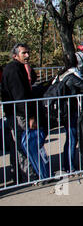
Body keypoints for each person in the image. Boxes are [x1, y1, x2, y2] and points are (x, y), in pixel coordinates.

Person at [1, 43, 39, 183]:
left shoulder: (19, 68)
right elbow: (20, 96)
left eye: (28, 52)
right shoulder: (14, 70)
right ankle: (29, 176)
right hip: (18, 114)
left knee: (17, 144)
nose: (27, 55)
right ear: (15, 55)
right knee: (23, 145)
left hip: (16, 112)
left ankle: (18, 174)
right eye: (24, 53)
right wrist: (30, 116)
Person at [52, 54, 83, 173]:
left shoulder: (60, 75)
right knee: (72, 139)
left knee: (70, 138)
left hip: (62, 111)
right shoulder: (73, 76)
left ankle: (68, 164)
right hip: (71, 111)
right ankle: (70, 166)